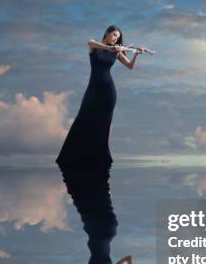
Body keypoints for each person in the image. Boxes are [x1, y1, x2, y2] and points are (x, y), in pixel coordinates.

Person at [56, 25, 146, 169]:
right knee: (82, 119)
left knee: (103, 124)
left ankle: (100, 158)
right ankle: (71, 156)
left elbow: (130, 66)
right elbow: (89, 42)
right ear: (107, 33)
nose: (116, 38)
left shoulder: (116, 52)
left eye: (118, 37)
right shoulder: (96, 46)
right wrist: (109, 48)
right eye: (114, 35)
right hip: (93, 90)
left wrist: (136, 54)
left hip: (108, 92)